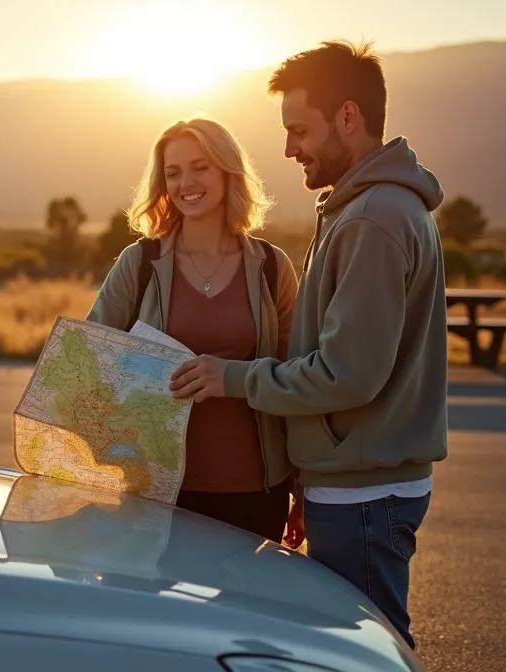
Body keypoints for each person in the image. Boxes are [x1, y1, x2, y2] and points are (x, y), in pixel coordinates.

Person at [168, 40, 448, 650]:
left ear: (348, 117)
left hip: (365, 494)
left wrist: (232, 377)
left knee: (366, 652)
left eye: (299, 130)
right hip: (355, 485)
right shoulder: (365, 209)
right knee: (355, 647)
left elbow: (347, 375)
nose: (290, 148)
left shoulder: (373, 219)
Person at [85, 117, 304, 546]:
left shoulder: (272, 267)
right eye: (173, 172)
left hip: (255, 493)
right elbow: (88, 359)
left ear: (227, 170)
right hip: (152, 495)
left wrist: (304, 488)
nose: (186, 181)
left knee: (248, 614)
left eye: (200, 167)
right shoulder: (139, 263)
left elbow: (297, 381)